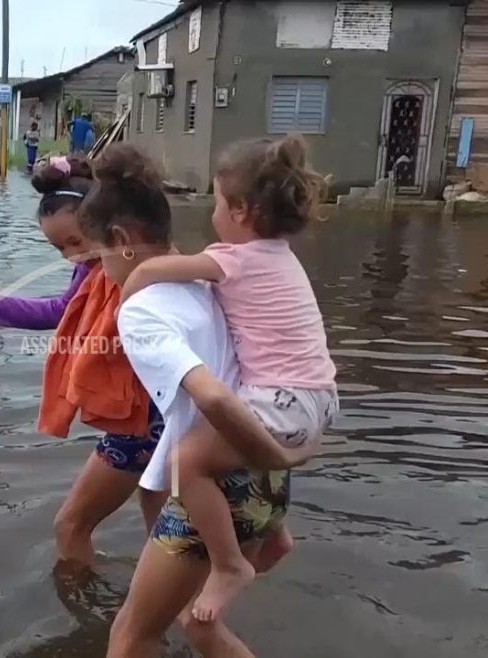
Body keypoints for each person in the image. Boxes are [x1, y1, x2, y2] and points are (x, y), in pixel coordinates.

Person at [74, 144, 312, 657]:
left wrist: (275, 455)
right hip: (265, 486)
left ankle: (231, 565)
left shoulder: (141, 312)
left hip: (227, 481)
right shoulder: (208, 282)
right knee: (197, 624)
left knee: (131, 635)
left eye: (98, 257)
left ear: (119, 240)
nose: (99, 271)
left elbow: (212, 394)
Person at [120, 135, 337, 622]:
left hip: (284, 401)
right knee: (228, 452)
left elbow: (158, 268)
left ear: (239, 210)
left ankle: (228, 564)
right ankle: (275, 537)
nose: (213, 215)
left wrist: (130, 293)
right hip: (319, 397)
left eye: (217, 203)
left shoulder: (234, 259)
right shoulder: (282, 256)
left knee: (187, 462)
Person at [0, 155, 164, 566]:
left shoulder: (131, 272)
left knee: (70, 526)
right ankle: (171, 608)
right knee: (163, 531)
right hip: (157, 419)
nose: (70, 256)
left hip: (139, 423)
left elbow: (61, 313)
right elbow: (65, 310)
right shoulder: (102, 268)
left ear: (104, 226)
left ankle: (96, 610)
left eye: (76, 242)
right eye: (59, 248)